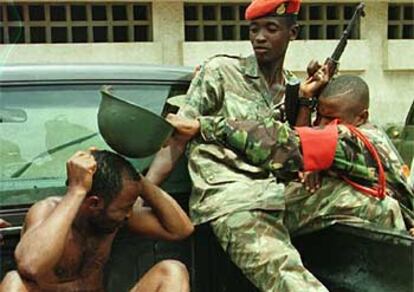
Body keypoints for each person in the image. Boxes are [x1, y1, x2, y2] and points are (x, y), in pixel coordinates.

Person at [146, 0, 337, 290]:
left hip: (276, 192)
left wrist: (307, 96)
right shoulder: (221, 71)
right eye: (254, 29)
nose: (259, 37)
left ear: (293, 32)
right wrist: (145, 190)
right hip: (232, 197)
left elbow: (291, 145)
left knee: (370, 203)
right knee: (289, 278)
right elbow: (178, 136)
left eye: (271, 29)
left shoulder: (292, 85)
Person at [166, 74, 414, 237]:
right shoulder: (352, 134)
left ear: (361, 117)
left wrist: (204, 126)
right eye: (320, 114)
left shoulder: (354, 140)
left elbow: (284, 142)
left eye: (330, 117)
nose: (322, 123)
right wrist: (305, 101)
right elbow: (301, 137)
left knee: (263, 206)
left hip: (394, 225)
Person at [0, 149, 193, 292]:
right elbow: (31, 265)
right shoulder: (47, 211)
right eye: (124, 208)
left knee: (172, 271)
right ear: (94, 204)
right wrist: (77, 190)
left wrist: (133, 177)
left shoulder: (110, 220)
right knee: (13, 282)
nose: (129, 214)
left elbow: (180, 229)